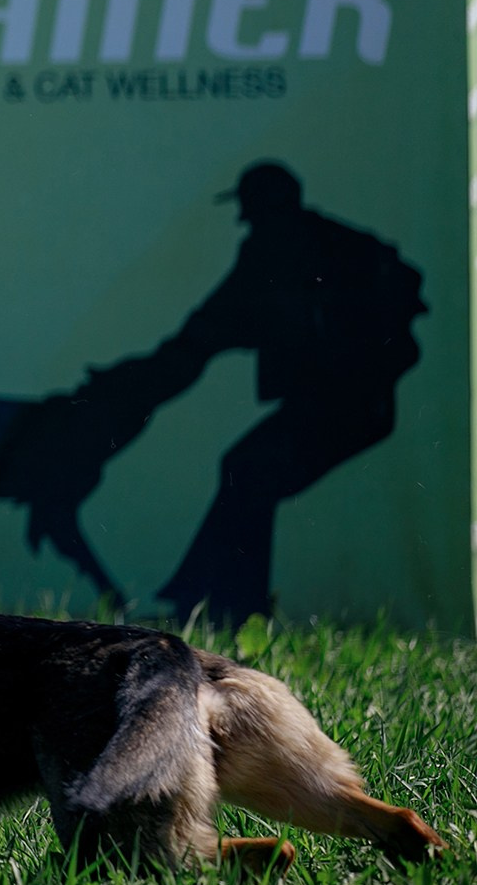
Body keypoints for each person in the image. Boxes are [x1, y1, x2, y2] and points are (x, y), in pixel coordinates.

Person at [133, 161, 428, 626]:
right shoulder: (320, 241)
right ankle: (209, 599)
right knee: (247, 470)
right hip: (344, 402)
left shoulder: (282, 250)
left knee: (249, 471)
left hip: (348, 404)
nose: (245, 219)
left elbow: (210, 326)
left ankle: (230, 607)